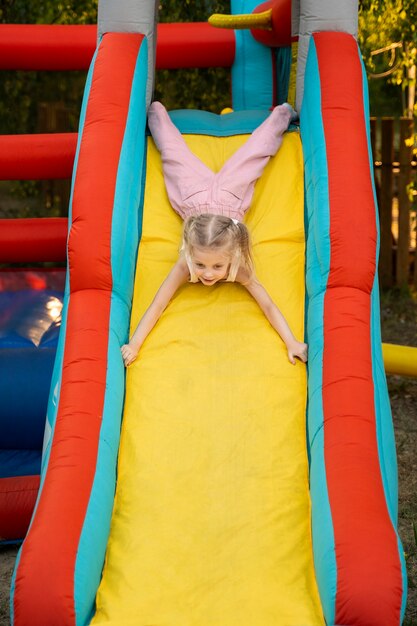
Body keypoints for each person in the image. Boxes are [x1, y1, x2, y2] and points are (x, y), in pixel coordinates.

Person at [121, 101, 307, 367]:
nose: (208, 273)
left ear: (232, 255)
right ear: (190, 251)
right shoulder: (187, 263)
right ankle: (154, 111)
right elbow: (158, 303)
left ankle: (283, 113)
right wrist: (135, 344)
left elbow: (267, 304)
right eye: (201, 265)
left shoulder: (236, 265)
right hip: (197, 198)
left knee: (253, 155)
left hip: (220, 197)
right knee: (173, 155)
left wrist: (292, 342)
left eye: (217, 265)